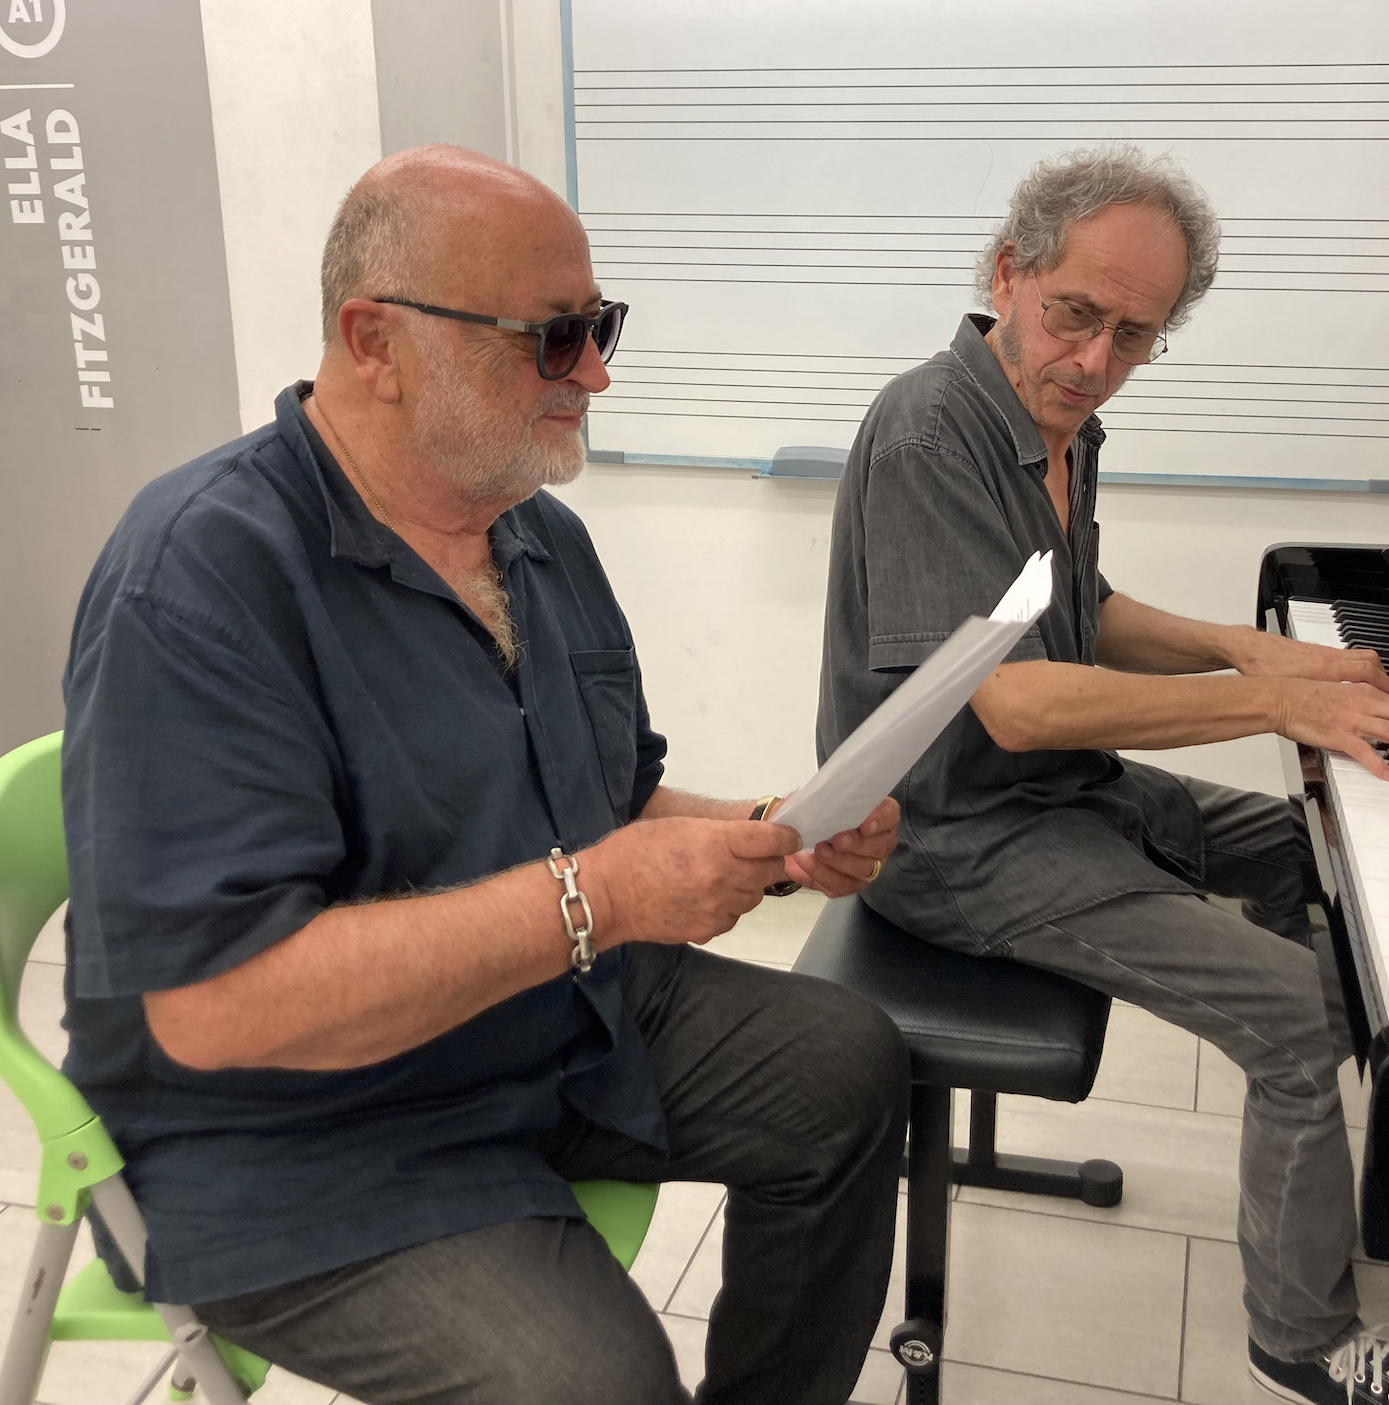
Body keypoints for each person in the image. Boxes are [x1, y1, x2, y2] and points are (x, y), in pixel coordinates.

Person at [61, 144, 906, 1405]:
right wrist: (602, 899)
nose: (596, 373)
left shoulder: (537, 537)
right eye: (552, 338)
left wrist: (773, 831)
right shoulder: (200, 576)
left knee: (849, 1064)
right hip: (296, 1127)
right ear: (377, 344)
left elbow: (606, 801)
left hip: (537, 1013)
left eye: (601, 327)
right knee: (590, 1384)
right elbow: (218, 1007)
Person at [816, 144, 1389, 1405]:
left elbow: (1080, 611)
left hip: (1062, 797)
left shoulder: (1056, 421)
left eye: (1135, 336)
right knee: (1298, 1013)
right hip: (953, 842)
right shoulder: (932, 434)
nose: (1096, 360)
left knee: (1333, 856)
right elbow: (1019, 705)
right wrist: (1269, 700)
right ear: (1008, 274)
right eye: (1076, 315)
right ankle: (1302, 1339)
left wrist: (1246, 646)